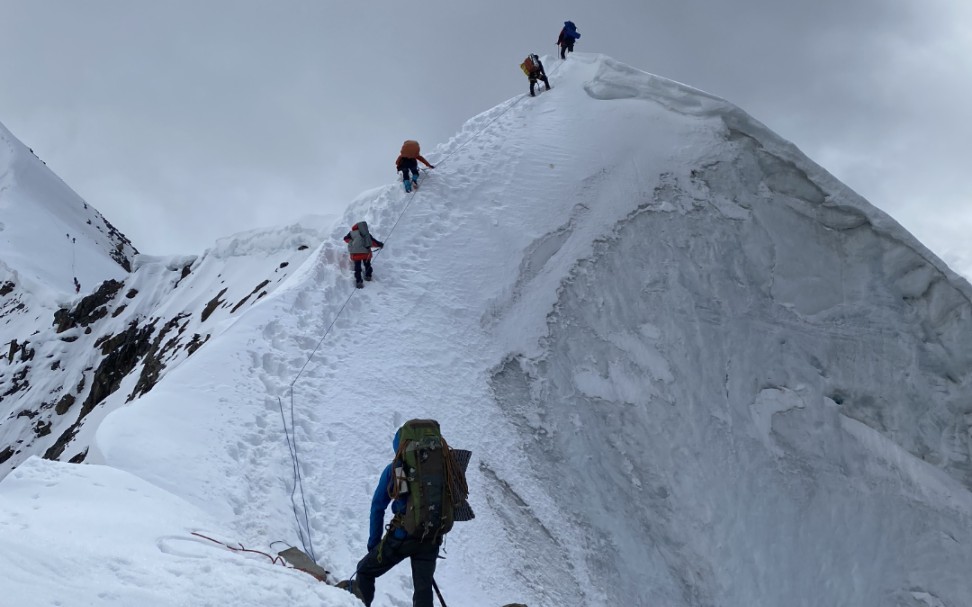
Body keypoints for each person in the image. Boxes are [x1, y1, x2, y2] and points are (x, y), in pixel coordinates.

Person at [342, 421, 457, 607]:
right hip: (432, 536)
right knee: (423, 589)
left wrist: (374, 544)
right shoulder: (443, 468)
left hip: (402, 537)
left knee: (365, 571)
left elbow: (378, 507)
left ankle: (359, 604)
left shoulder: (396, 469)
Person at [343, 221, 384, 288]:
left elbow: (345, 239)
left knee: (357, 268)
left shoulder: (351, 233)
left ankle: (359, 281)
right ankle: (368, 276)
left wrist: (353, 242)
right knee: (367, 264)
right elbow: (372, 242)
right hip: (366, 253)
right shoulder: (366, 234)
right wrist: (380, 244)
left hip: (356, 254)